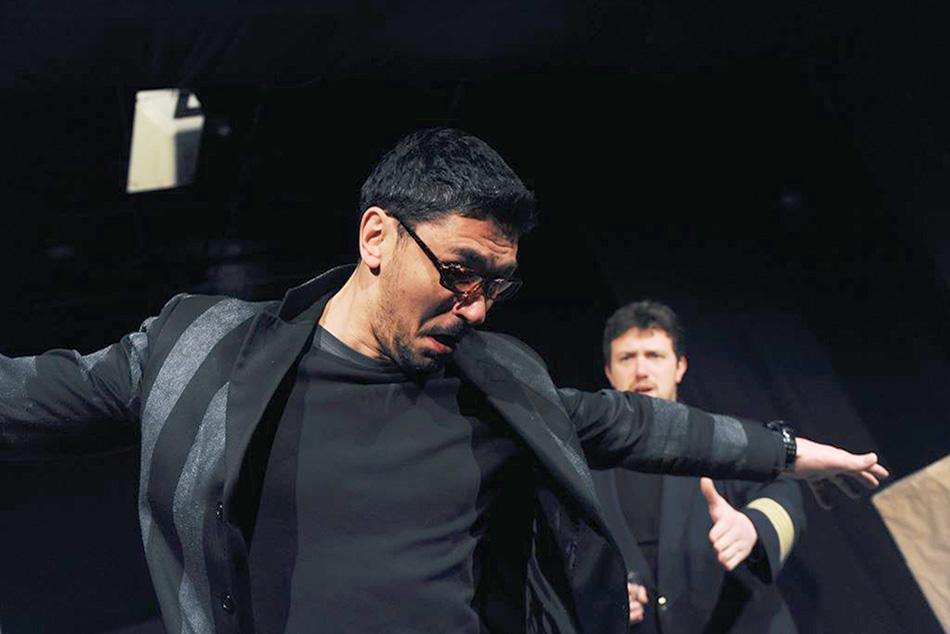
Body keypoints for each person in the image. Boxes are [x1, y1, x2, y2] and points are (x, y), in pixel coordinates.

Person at [0, 128, 887, 634]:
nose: (477, 307)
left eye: (497, 286)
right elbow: (29, 396)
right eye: (461, 273)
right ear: (376, 236)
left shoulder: (496, 383)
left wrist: (787, 452)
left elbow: (633, 425)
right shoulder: (205, 352)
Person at [592, 301, 805, 633]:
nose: (641, 370)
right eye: (627, 358)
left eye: (654, 355)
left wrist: (754, 526)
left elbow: (784, 489)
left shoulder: (729, 439)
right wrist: (599, 596)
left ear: (680, 367)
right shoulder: (585, 467)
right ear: (609, 372)